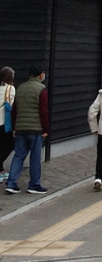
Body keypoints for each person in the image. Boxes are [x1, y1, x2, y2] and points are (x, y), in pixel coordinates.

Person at [5, 63, 49, 195]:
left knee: (18, 156)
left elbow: (14, 110)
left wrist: (14, 127)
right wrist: (45, 129)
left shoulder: (20, 88)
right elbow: (43, 111)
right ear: (40, 75)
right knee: (35, 158)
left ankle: (11, 183)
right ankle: (34, 184)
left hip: (20, 128)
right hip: (35, 129)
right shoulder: (41, 89)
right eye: (43, 73)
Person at [0, 66, 16, 181]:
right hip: (4, 122)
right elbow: (12, 104)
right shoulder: (10, 88)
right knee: (10, 144)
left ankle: (1, 170)